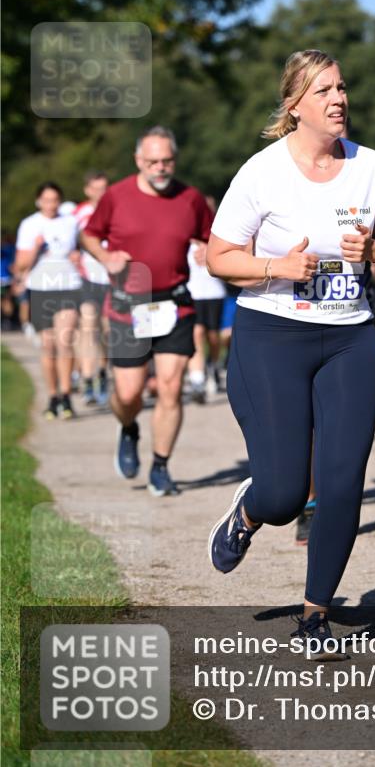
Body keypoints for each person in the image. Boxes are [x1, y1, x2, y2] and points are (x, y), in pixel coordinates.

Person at [206, 49, 375, 651]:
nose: (338, 99)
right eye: (324, 89)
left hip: (350, 337)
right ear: (294, 104)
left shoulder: (371, 167)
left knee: (342, 480)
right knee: (283, 493)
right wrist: (277, 264)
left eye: (342, 87)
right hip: (271, 334)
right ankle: (249, 513)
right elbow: (217, 257)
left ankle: (315, 614)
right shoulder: (262, 172)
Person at [81, 127, 213, 496]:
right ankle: (129, 428)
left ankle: (160, 466)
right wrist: (106, 256)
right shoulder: (116, 196)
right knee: (128, 394)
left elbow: (212, 235)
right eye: (152, 161)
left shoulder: (190, 198)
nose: (160, 168)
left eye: (167, 160)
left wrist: (207, 249)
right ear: (138, 160)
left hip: (175, 302)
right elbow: (90, 235)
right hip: (128, 305)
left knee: (171, 387)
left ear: (175, 159)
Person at [15, 182, 82, 419]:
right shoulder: (29, 225)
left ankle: (66, 396)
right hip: (41, 288)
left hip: (68, 286)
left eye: (55, 200)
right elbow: (20, 265)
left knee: (65, 341)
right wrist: (35, 248)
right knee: (48, 345)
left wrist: (78, 255)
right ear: (38, 201)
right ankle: (52, 395)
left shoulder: (70, 222)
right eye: (46, 200)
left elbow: (82, 248)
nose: (51, 205)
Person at [74, 171, 110, 406]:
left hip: (112, 280)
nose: (101, 193)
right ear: (87, 190)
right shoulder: (79, 213)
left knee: (107, 332)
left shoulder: (117, 209)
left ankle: (102, 373)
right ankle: (87, 378)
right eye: (96, 188)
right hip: (87, 279)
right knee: (88, 327)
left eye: (104, 188)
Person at [186, 196, 226, 402]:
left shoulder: (217, 236)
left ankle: (214, 365)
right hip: (193, 294)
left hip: (214, 293)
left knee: (213, 336)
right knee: (197, 332)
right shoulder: (185, 235)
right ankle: (197, 378)